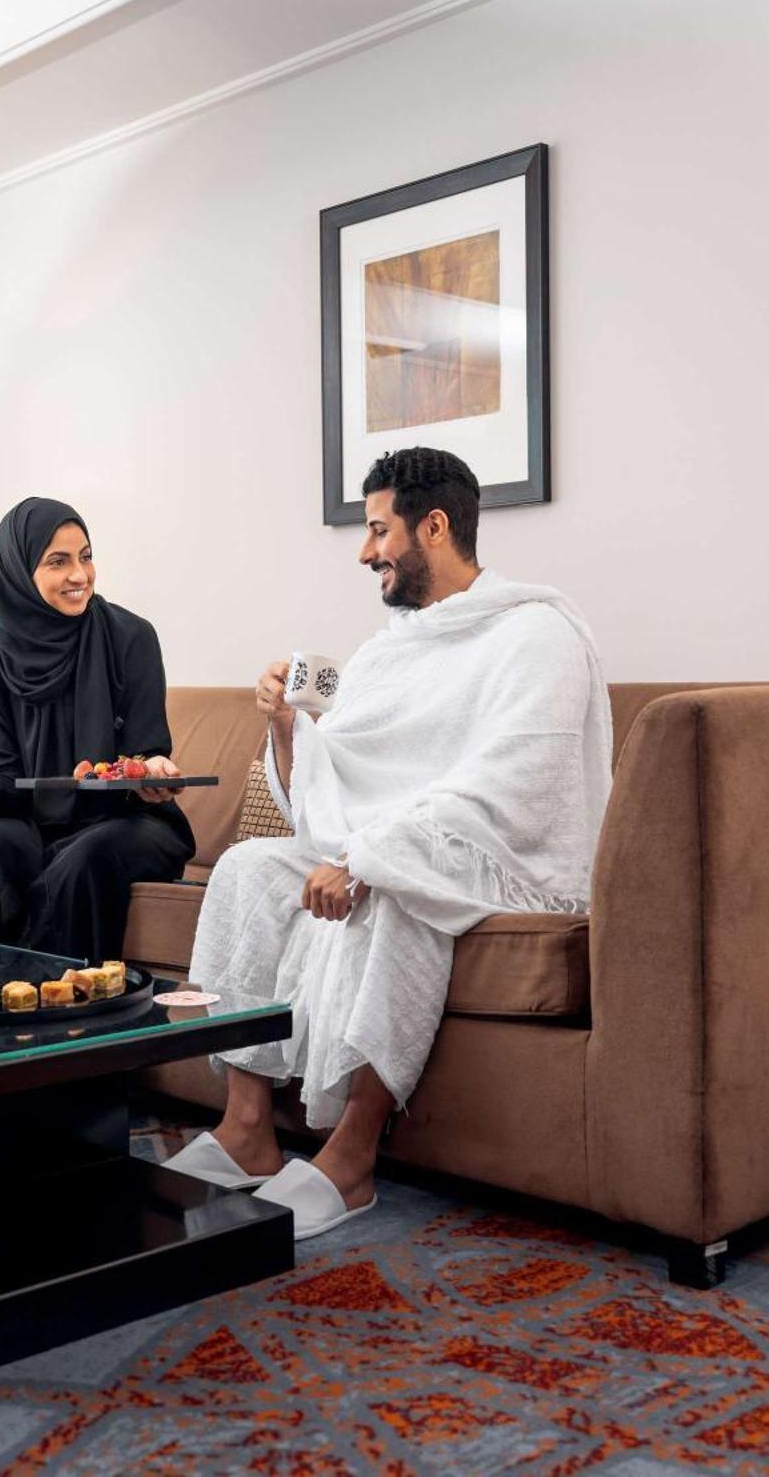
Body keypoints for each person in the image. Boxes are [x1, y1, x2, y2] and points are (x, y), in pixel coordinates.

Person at [161, 448, 612, 1239]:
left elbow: (515, 780)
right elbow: (341, 778)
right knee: (247, 869)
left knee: (397, 896)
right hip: (393, 839)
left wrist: (371, 859)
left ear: (433, 528)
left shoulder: (536, 635)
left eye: (377, 530)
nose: (365, 551)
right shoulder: (391, 645)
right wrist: (284, 723)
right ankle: (247, 1131)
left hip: (493, 853)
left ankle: (352, 1157)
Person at [0, 497, 194, 960]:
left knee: (83, 858)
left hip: (131, 822)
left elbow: (147, 751)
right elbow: (6, 792)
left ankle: (61, 1016)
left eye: (86, 556)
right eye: (59, 561)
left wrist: (150, 772)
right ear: (16, 572)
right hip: (37, 824)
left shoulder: (131, 638)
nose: (80, 575)